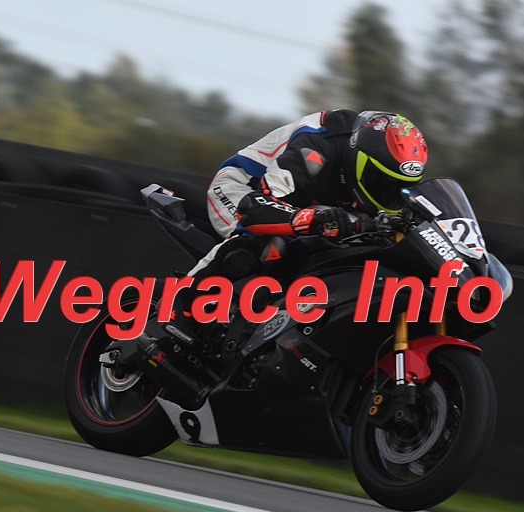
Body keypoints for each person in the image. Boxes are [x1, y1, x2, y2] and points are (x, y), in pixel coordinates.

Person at [164, 109, 429, 346]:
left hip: (315, 205)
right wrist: (314, 220)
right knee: (269, 241)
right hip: (244, 189)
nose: (389, 195)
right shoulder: (316, 148)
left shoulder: (373, 173)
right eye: (381, 182)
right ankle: (180, 304)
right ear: (359, 159)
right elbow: (256, 207)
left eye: (399, 188)